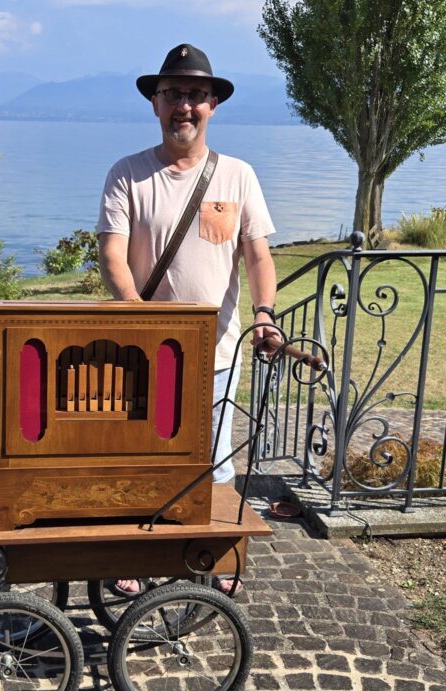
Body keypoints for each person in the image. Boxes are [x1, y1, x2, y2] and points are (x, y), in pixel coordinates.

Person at [96, 43, 282, 597]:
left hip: (216, 355)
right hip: (139, 352)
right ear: (155, 102)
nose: (185, 106)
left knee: (213, 463)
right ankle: (130, 554)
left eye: (196, 96)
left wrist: (266, 313)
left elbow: (258, 255)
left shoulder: (239, 176)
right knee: (135, 459)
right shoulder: (127, 174)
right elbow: (112, 254)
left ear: (212, 106)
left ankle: (218, 557)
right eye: (173, 94)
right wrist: (134, 312)